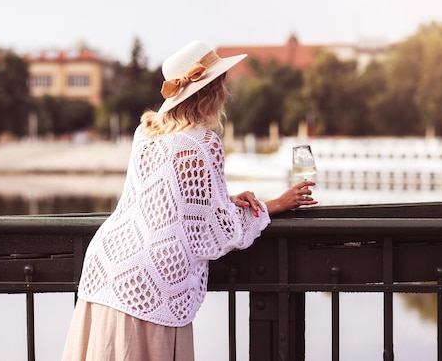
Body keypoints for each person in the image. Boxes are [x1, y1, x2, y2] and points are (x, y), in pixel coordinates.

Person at [62, 40, 317, 360]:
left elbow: (167, 200)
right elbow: (221, 231)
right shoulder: (204, 142)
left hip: (108, 263)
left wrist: (224, 199)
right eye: (221, 84)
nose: (225, 92)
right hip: (154, 276)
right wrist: (273, 205)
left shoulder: (146, 132)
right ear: (212, 92)